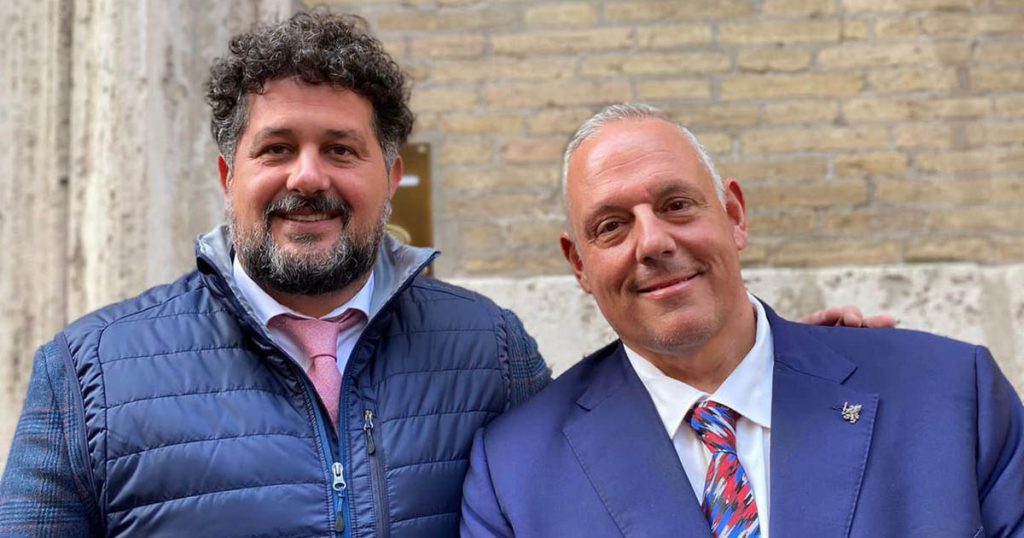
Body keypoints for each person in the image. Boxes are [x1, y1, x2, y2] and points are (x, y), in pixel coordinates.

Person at [0, 11, 889, 538]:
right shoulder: (87, 376)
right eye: (277, 149)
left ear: (392, 176)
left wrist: (783, 364)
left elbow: (617, 454)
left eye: (341, 149)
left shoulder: (489, 349)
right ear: (230, 175)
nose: (308, 176)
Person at [460, 104, 1024, 538]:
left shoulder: (951, 396)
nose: (652, 242)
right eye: (611, 226)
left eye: (676, 205)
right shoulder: (513, 475)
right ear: (579, 265)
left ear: (734, 216)